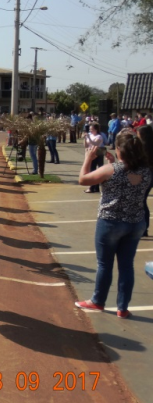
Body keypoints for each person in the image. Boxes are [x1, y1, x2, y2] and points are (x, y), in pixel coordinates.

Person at [75, 130, 152, 318]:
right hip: (135, 222)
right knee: (126, 266)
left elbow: (83, 179)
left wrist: (88, 158)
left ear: (119, 150)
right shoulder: (146, 170)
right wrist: (114, 162)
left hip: (111, 221)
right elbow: (131, 178)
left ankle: (98, 301)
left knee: (104, 264)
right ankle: (122, 307)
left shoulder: (112, 170)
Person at [138, 125, 153, 237]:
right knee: (142, 201)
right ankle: (144, 228)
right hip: (150, 174)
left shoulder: (141, 147)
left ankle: (143, 228)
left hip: (145, 175)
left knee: (141, 201)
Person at [84, 122, 107, 193]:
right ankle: (95, 187)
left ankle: (92, 187)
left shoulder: (99, 136)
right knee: (92, 169)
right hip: (91, 152)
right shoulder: (90, 135)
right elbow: (86, 145)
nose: (90, 131)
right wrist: (85, 138)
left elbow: (95, 144)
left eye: (92, 129)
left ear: (96, 129)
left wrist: (89, 138)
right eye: (90, 129)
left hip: (98, 152)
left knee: (97, 169)